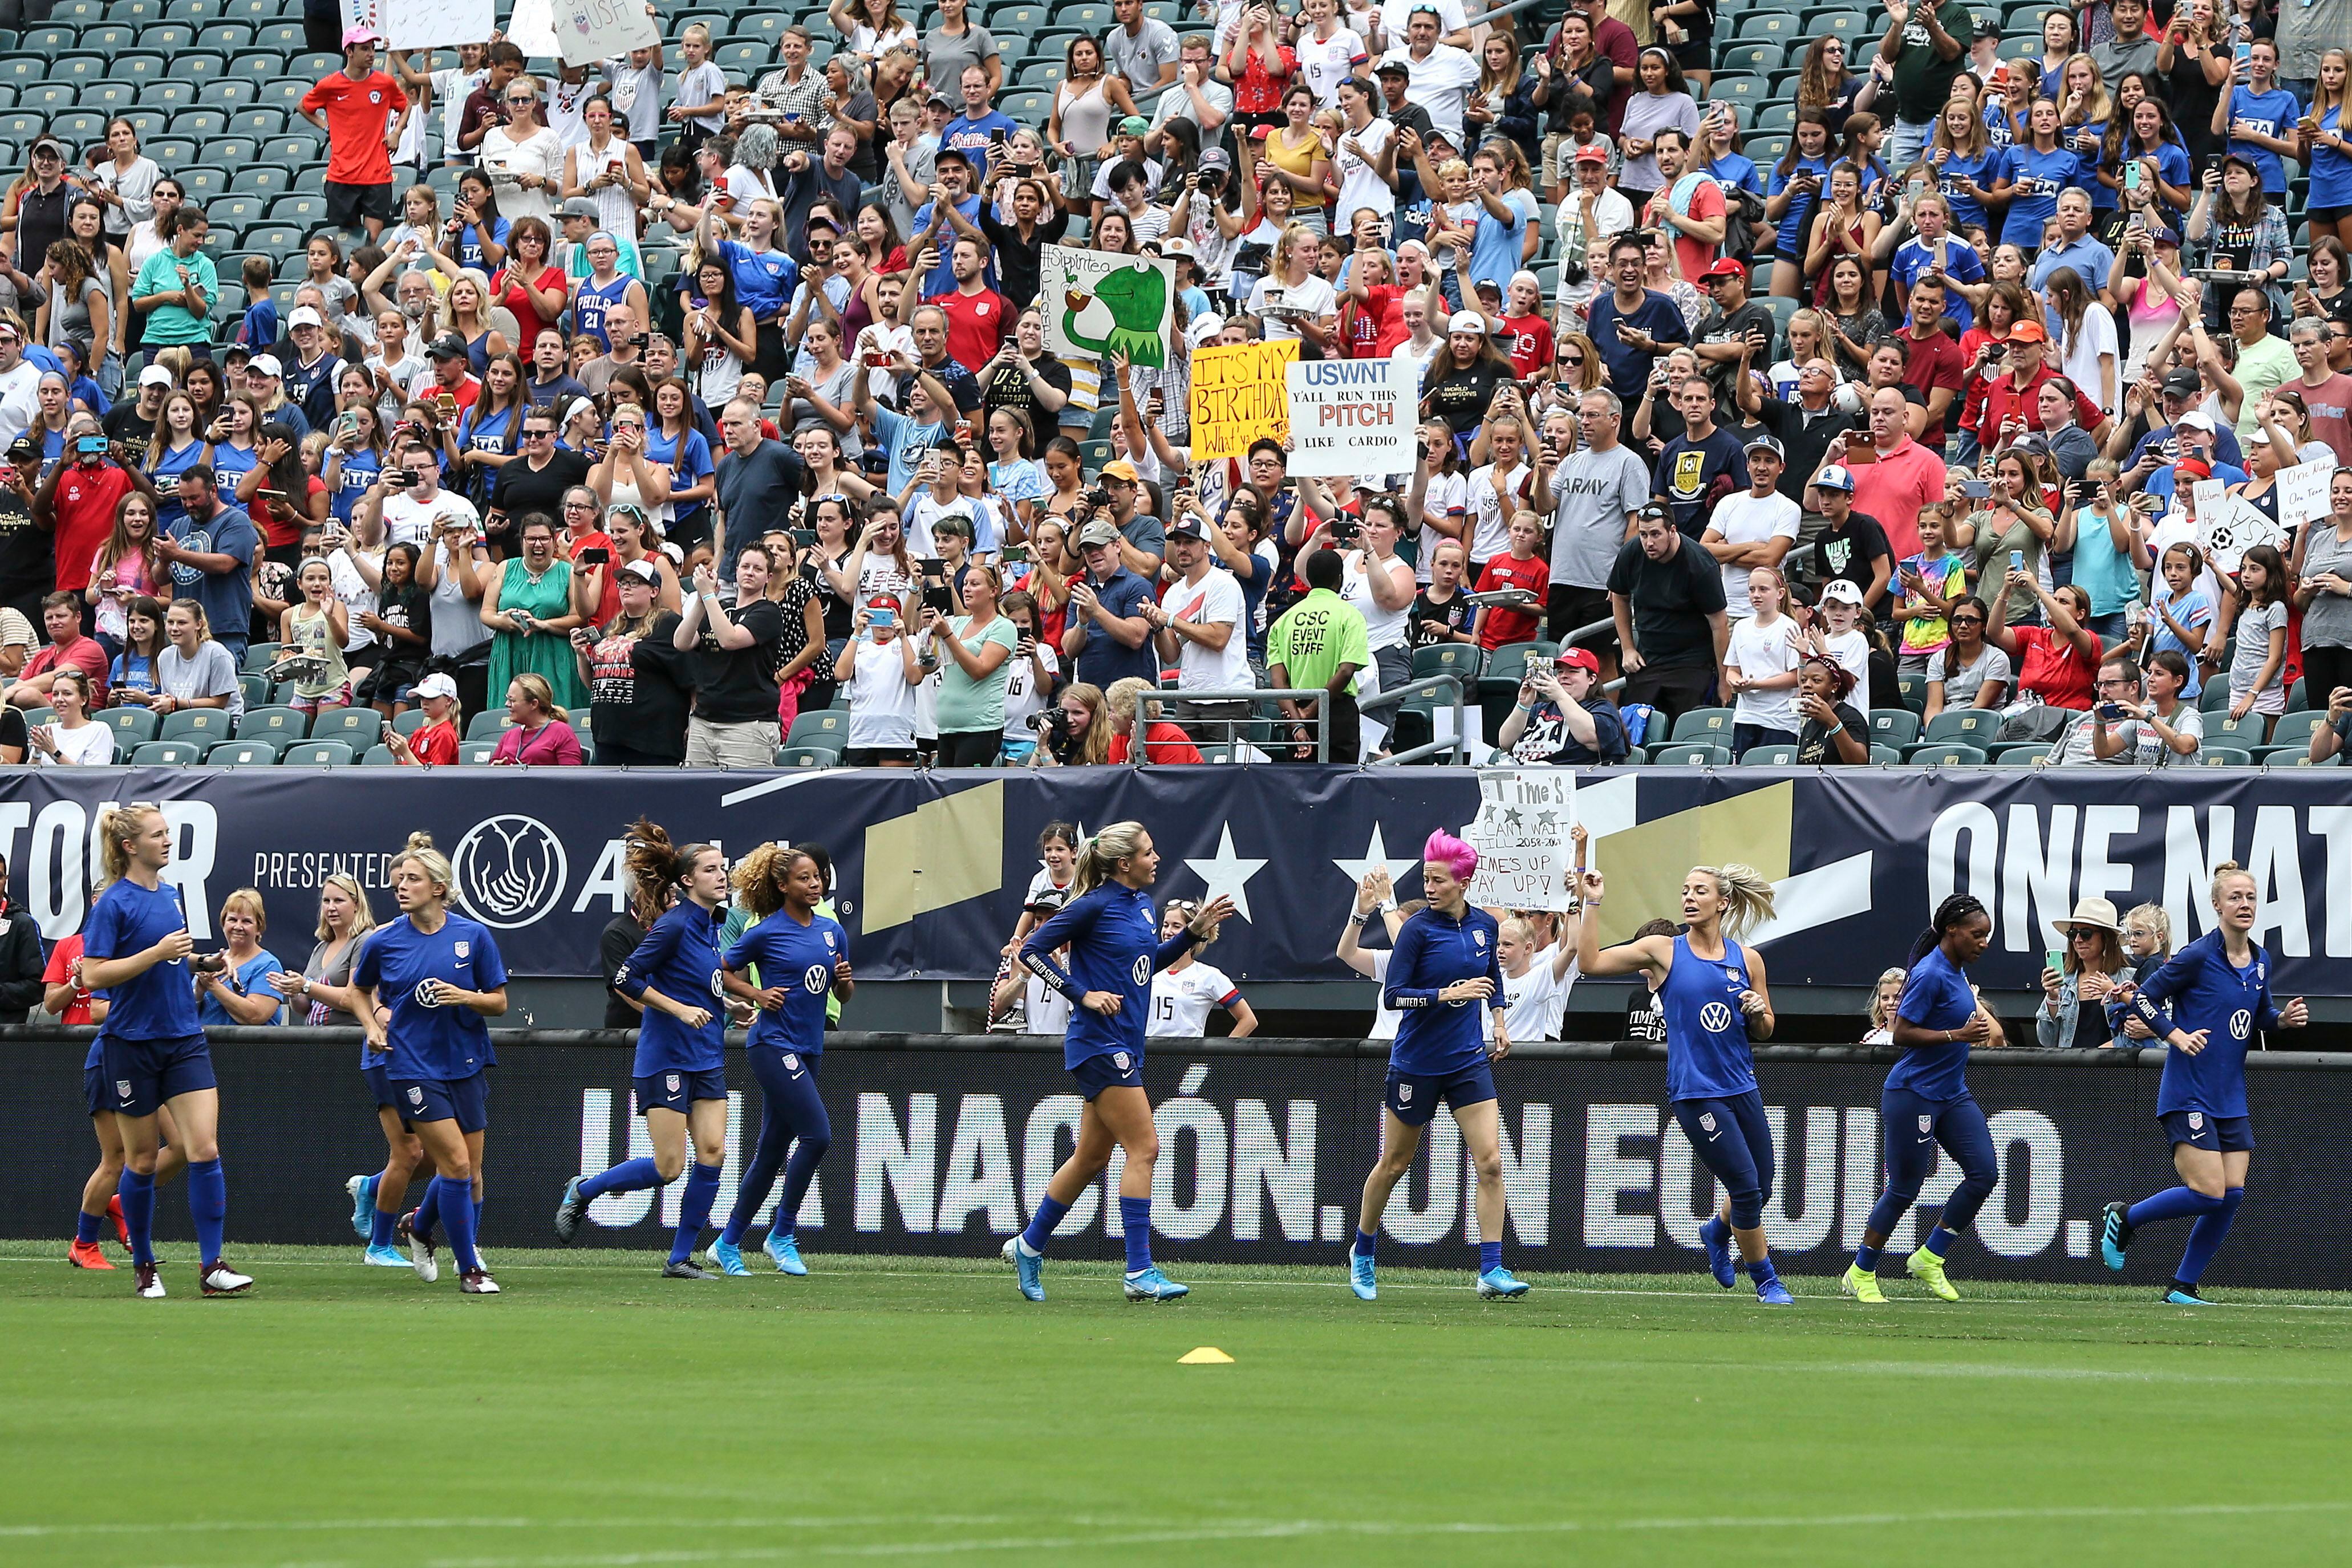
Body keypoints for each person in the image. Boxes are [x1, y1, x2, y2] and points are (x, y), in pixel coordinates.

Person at [1009, 823, 1234, 1303]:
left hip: (1125, 1043)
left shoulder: (1140, 906)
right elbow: (1031, 951)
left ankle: (1029, 1246)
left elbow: (1145, 964)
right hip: (1097, 1043)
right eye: (1149, 853)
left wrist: (1191, 933)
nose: (1158, 859)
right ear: (1124, 864)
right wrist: (1082, 993)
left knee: (1091, 1158)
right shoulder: (1093, 904)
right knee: (1146, 1147)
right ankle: (1139, 1271)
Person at [1575, 860, 1791, 1306]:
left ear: (1723, 902)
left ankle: (1716, 1229)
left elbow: (1768, 1027)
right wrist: (1591, 902)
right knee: (1747, 1189)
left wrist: (1756, 1012)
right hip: (1696, 1092)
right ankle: (1767, 1281)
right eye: (1685, 891)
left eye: (1700, 891)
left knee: (1763, 1186)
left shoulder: (1747, 959)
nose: (1689, 898)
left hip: (1742, 1087)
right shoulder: (1665, 949)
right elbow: (1590, 962)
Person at [2103, 862, 2310, 1305]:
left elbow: (2260, 1016)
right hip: (2188, 1090)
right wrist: (2174, 1034)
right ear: (2216, 905)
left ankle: (2183, 1285)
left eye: (2251, 897)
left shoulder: (2260, 959)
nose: (2245, 905)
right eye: (2235, 897)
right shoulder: (2198, 954)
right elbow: (2142, 997)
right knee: (2209, 1191)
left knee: (2230, 1195)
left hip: (2229, 1095)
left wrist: (2284, 1021)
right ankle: (2127, 1217)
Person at [80, 804, 253, 1299]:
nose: (167, 841)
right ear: (130, 846)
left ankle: (212, 1265)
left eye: (168, 833)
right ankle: (144, 1265)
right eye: (158, 835)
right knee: (139, 1162)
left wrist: (201, 960)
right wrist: (156, 953)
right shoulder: (113, 902)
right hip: (131, 1044)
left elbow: (172, 961)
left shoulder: (172, 894)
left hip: (184, 1038)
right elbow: (93, 975)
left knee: (204, 1149)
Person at [1345, 830, 1524, 1302]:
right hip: (1417, 1063)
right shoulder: (1418, 930)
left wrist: (1499, 1022)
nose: (1429, 886)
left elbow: (1491, 979)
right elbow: (1394, 993)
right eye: (1426, 878)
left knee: (1491, 1163)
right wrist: (1447, 994)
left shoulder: (1486, 925)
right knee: (1395, 1163)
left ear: (1462, 883)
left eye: (1439, 880)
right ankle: (1363, 1249)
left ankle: (1491, 1268)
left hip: (1467, 1061)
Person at [553, 822, 731, 1278]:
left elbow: (695, 981)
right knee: (669, 1166)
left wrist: (727, 1002)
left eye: (723, 868)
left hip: (707, 1054)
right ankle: (585, 1190)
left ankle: (680, 1259)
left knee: (713, 1152)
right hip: (667, 1056)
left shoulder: (711, 924)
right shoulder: (673, 925)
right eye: (711, 870)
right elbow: (626, 979)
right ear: (687, 881)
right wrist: (678, 1009)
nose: (722, 875)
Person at [353, 832, 508, 1294]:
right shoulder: (385, 942)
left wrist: (466, 997)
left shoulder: (473, 936)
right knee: (455, 1165)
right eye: (399, 880)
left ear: (438, 888)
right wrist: (372, 1025)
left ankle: (421, 1228)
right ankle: (470, 1269)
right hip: (412, 1067)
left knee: (471, 1173)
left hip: (465, 1062)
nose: (401, 887)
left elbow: (499, 1003)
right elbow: (358, 991)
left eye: (413, 880)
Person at [1839, 893, 2001, 1305]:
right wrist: (1957, 1036)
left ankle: (1930, 1256)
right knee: (1905, 1188)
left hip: (1952, 1092)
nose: (1984, 943)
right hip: (1914, 1093)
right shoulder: (1930, 974)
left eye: (1987, 936)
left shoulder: (1957, 971)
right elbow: (1903, 1033)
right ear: (1952, 931)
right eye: (1977, 935)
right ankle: (1861, 1271)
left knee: (1984, 1173)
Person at [1608, 500, 1729, 722]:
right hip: (1648, 659)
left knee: (1686, 728)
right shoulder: (1632, 552)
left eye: (1656, 534)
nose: (1649, 542)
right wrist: (1627, 648)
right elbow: (1620, 597)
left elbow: (1719, 624)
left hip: (1692, 662)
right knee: (1636, 730)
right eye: (1644, 535)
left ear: (1672, 531)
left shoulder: (1699, 563)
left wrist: (1724, 680)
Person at [1497, 644, 1629, 763]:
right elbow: (1506, 742)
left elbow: (1591, 738)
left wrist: (1560, 696)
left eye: (1573, 671)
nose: (1564, 676)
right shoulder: (1541, 708)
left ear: (1591, 679)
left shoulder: (1603, 708)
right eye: (1560, 672)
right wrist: (1523, 705)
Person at [1721, 567, 1804, 755]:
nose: (1756, 595)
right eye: (1752, 590)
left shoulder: (1789, 627)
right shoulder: (1742, 627)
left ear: (1780, 593)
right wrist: (1736, 682)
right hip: (1746, 717)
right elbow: (1732, 669)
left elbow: (1795, 677)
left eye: (1763, 589)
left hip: (1779, 720)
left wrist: (1757, 684)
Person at [2037, 895, 2136, 1050]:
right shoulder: (2064, 984)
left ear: (2106, 938)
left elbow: (2142, 1033)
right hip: (2070, 1070)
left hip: (2115, 1070)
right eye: (2073, 933)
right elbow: (2047, 1041)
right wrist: (2052, 998)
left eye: (2086, 933)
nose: (2077, 939)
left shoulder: (2130, 980)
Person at [1147, 898, 1257, 1038]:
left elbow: (1248, 1020)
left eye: (1176, 926)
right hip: (1147, 1056)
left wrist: (1221, 1057)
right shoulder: (1147, 969)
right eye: (1166, 925)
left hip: (1185, 1057)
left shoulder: (1208, 975)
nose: (1168, 931)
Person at [193, 888, 282, 1029]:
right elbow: (184, 1015)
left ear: (259, 928)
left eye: (246, 921)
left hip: (247, 1050)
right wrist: (199, 993)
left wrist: (214, 986)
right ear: (224, 923)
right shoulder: (211, 962)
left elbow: (255, 1016)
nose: (238, 927)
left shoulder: (269, 965)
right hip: (203, 1049)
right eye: (232, 920)